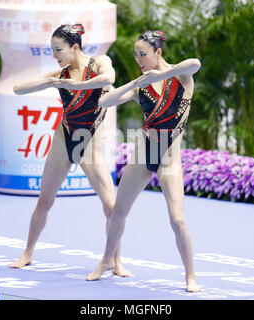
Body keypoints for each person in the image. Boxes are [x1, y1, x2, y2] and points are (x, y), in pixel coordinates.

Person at [10, 24, 131, 278]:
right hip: (64, 137)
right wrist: (50, 82)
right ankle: (28, 252)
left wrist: (76, 86)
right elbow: (18, 89)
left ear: (75, 47)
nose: (55, 55)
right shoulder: (61, 74)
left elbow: (109, 79)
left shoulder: (99, 63)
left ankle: (114, 261)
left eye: (58, 50)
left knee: (111, 206)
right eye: (52, 50)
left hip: (90, 140)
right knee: (45, 200)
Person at [86, 30, 201, 292]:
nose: (139, 59)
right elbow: (106, 100)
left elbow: (195, 63)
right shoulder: (143, 84)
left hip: (169, 158)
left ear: (158, 52)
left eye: (143, 55)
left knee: (177, 220)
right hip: (143, 152)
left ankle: (190, 276)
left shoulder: (181, 76)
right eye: (136, 55)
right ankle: (106, 261)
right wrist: (133, 84)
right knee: (118, 210)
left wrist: (162, 73)